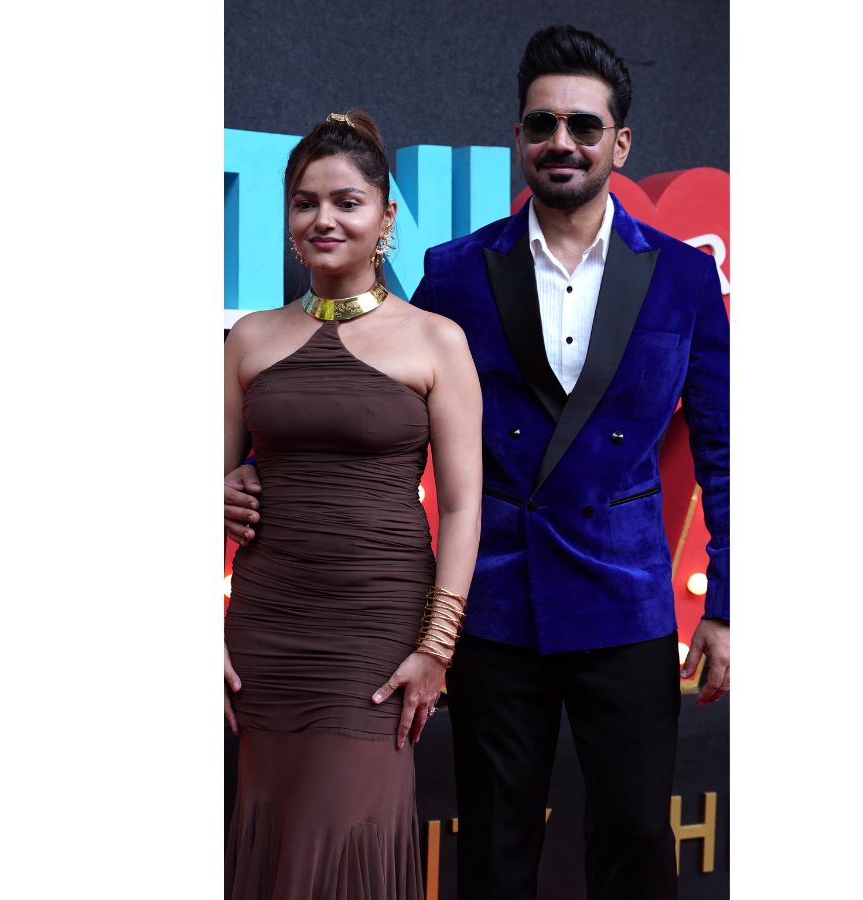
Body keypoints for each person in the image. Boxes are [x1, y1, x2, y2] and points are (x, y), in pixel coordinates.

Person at [227, 25, 729, 899]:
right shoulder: (457, 271)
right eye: (542, 124)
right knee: (494, 849)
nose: (561, 141)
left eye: (583, 125)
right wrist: (245, 471)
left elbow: (724, 451)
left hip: (628, 601)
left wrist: (726, 604)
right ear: (519, 138)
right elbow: (374, 395)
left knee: (638, 839)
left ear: (621, 143)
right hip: (496, 609)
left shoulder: (684, 277)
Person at [222, 109, 482, 900]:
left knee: (345, 843)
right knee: (274, 838)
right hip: (267, 635)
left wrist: (437, 647)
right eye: (305, 203)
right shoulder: (249, 340)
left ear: (386, 216)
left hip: (377, 637)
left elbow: (464, 507)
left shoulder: (436, 341)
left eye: (346, 201)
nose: (323, 219)